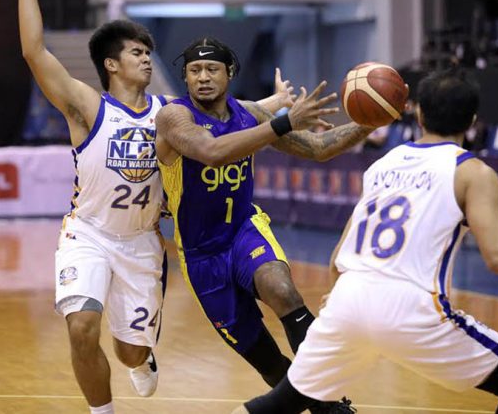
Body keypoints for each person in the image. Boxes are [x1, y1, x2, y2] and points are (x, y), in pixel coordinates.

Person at [14, 0, 293, 414]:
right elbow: (35, 52)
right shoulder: (87, 105)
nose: (147, 56)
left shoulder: (173, 111)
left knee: (130, 351)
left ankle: (140, 360)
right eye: (136, 51)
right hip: (89, 234)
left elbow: (238, 113)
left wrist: (277, 105)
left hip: (144, 242)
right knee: (81, 325)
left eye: (148, 50)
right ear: (111, 63)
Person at [233, 69, 498, 414]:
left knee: (277, 406)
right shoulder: (472, 171)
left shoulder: (385, 162)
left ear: (418, 114)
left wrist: (349, 302)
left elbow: (337, 258)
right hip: (412, 308)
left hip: (348, 299)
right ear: (473, 122)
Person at [155, 37, 379, 413]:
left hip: (243, 229)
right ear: (185, 77)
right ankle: (317, 404)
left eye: (212, 70)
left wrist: (368, 123)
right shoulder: (174, 117)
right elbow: (211, 153)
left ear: (229, 74)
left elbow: (318, 147)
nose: (203, 78)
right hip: (201, 255)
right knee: (269, 363)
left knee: (282, 289)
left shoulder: (249, 114)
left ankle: (328, 402)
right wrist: (282, 120)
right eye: (195, 71)